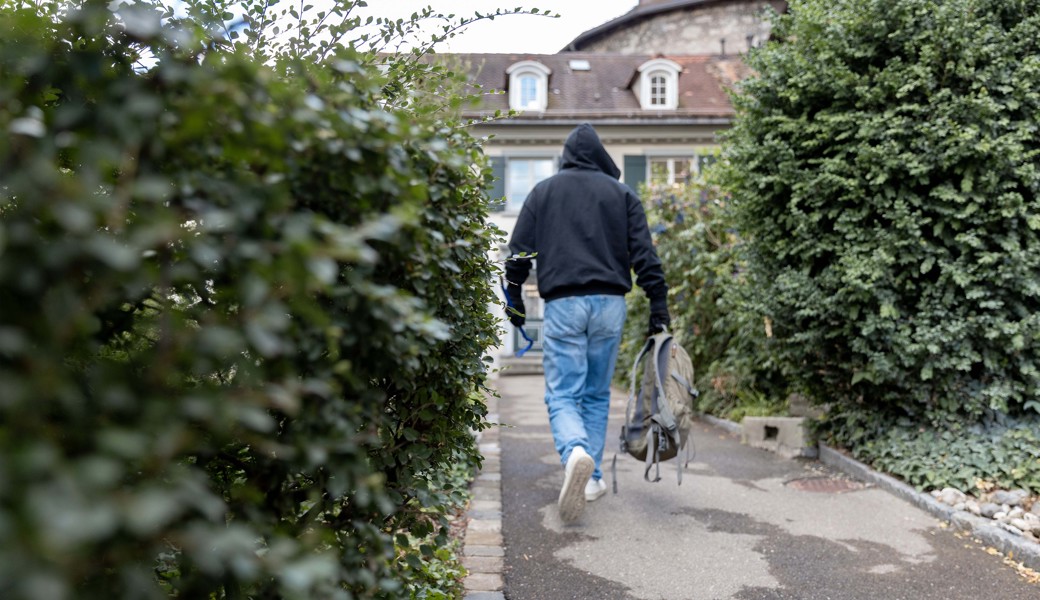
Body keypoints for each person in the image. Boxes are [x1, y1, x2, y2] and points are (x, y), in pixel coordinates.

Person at [504, 123, 670, 522]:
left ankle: (574, 451)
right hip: (610, 303)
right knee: (596, 393)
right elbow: (645, 256)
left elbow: (518, 256)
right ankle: (591, 476)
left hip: (564, 304)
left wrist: (515, 302)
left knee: (562, 393)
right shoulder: (622, 194)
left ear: (565, 157)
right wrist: (659, 309)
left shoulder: (543, 192)